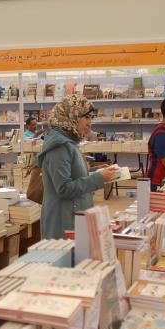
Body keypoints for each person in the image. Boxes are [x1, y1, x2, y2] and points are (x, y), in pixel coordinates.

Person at [37, 95, 118, 239]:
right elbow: (64, 188)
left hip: (72, 216)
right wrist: (98, 178)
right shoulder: (59, 146)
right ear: (71, 116)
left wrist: (97, 171)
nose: (90, 123)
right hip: (63, 221)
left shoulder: (69, 141)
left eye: (91, 118)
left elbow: (74, 173)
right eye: (86, 117)